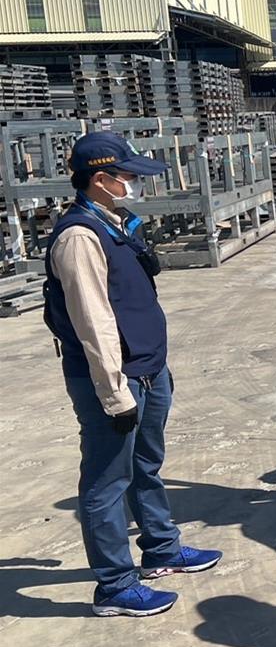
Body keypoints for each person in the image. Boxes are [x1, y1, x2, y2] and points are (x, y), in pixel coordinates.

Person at [43, 133, 221, 617]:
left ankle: (161, 549)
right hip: (114, 380)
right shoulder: (80, 237)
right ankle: (115, 586)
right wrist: (114, 394)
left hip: (147, 370)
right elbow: (93, 321)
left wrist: (155, 368)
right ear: (100, 179)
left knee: (146, 466)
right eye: (128, 176)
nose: (135, 184)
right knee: (107, 481)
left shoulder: (116, 222)